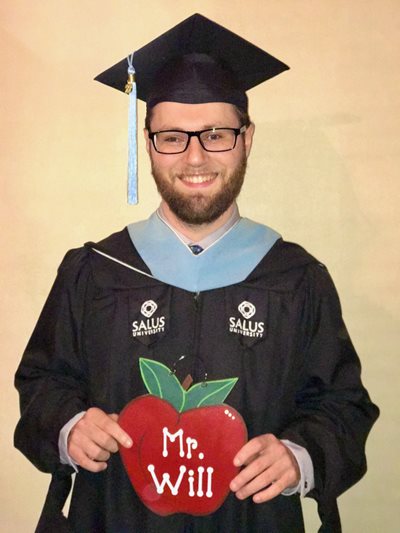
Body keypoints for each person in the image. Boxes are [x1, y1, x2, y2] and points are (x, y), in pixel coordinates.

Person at [14, 14, 378, 533]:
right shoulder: (93, 274)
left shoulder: (297, 279)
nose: (195, 156)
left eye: (216, 133)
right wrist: (68, 428)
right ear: (148, 143)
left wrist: (301, 456)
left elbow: (343, 406)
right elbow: (42, 384)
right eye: (172, 137)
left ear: (247, 139)